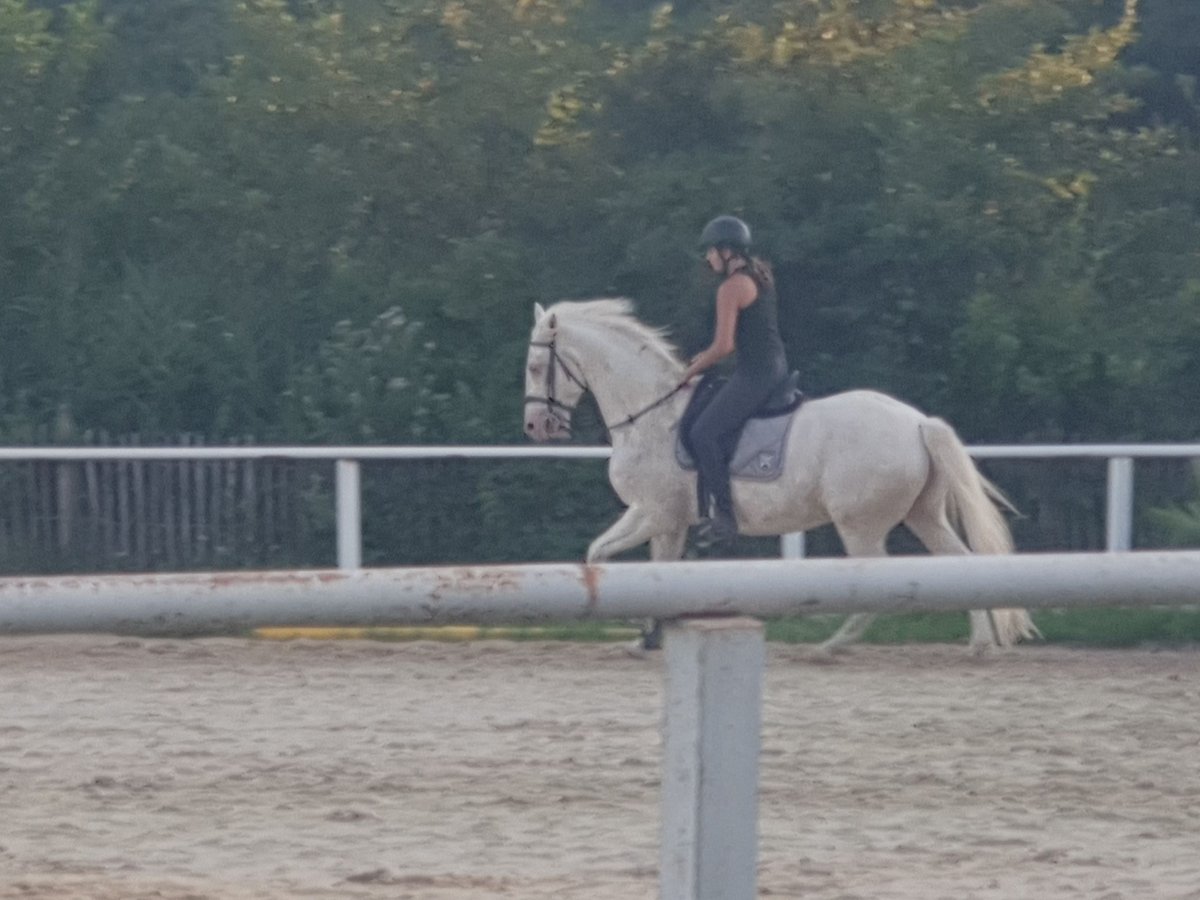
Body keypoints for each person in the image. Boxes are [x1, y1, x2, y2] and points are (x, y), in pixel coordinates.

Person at [681, 215, 790, 547]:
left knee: (703, 433)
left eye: (711, 251)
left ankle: (725, 517)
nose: (708, 258)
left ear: (726, 251)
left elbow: (724, 346)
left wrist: (688, 372)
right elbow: (737, 341)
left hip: (755, 374)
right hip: (771, 367)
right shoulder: (759, 277)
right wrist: (703, 357)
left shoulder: (731, 288)